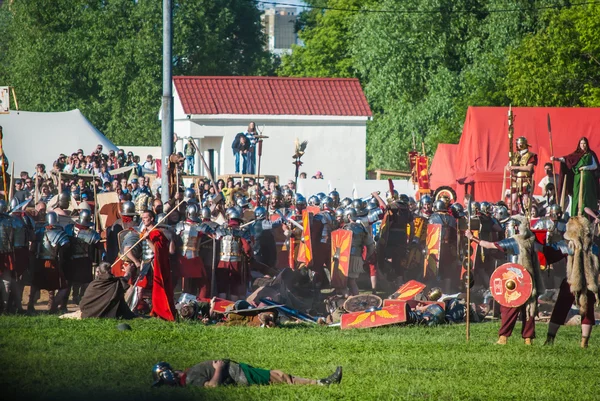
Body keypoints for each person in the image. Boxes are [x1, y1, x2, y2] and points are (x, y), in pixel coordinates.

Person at [466, 216, 544, 345]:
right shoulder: (532, 240)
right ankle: (528, 339)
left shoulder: (515, 241)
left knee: (509, 307)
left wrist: (472, 237)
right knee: (529, 308)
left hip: (515, 279)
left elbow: (489, 245)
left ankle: (503, 338)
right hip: (529, 278)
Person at [540, 216, 598, 348]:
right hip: (589, 283)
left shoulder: (567, 245)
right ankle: (584, 342)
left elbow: (550, 255)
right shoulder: (594, 247)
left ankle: (551, 339)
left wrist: (545, 245)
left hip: (572, 282)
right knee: (586, 310)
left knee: (562, 309)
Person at [151, 361, 342, 388]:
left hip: (238, 369)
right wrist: (218, 368)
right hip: (240, 374)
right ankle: (321, 383)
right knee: (281, 377)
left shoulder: (187, 375)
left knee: (280, 375)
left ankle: (319, 382)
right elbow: (212, 386)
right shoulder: (190, 380)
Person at [552, 137, 599, 217]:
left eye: (584, 143)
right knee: (576, 195)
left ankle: (588, 216)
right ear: (579, 144)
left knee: (586, 196)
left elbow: (595, 166)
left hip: (587, 179)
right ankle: (575, 216)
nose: (583, 145)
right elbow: (567, 159)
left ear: (587, 144)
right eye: (581, 143)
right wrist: (556, 159)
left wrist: (585, 168)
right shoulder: (576, 155)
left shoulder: (590, 154)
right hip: (577, 178)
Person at [507, 136, 537, 215]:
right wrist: (509, 167)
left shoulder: (530, 155)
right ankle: (515, 216)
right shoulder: (514, 155)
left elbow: (529, 168)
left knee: (526, 201)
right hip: (515, 179)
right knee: (513, 200)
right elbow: (508, 166)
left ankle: (526, 217)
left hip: (525, 179)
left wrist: (515, 167)